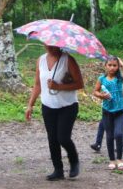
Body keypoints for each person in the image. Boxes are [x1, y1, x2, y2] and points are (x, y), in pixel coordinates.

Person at [25, 45, 84, 181]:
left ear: (59, 44)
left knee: (63, 137)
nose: (50, 47)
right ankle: (58, 170)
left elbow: (79, 83)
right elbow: (37, 84)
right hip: (48, 105)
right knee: (52, 139)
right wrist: (30, 105)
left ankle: (74, 160)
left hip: (67, 106)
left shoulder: (68, 60)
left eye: (53, 45)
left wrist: (59, 87)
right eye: (47, 44)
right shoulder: (40, 60)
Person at [92, 56, 123, 170]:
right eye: (109, 65)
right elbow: (95, 91)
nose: (112, 68)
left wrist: (122, 63)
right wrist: (101, 95)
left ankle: (119, 159)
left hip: (120, 111)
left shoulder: (119, 78)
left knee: (118, 134)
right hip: (107, 111)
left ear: (118, 66)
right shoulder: (101, 79)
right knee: (109, 136)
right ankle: (111, 159)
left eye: (115, 65)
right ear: (105, 66)